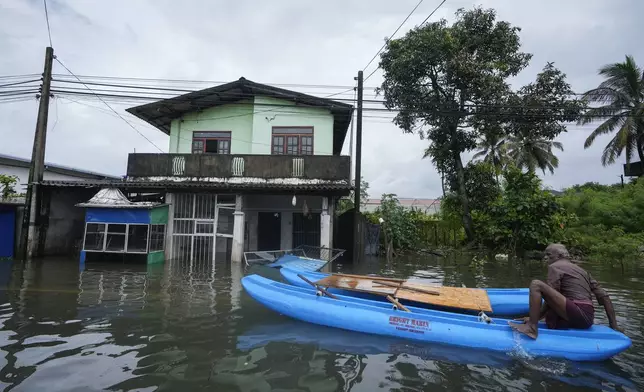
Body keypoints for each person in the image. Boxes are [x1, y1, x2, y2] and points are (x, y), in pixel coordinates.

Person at [510, 243, 621, 339]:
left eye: (549, 255)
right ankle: (536, 324)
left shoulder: (555, 266)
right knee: (551, 316)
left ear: (560, 256)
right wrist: (614, 326)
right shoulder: (582, 271)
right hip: (587, 319)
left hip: (577, 313)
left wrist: (534, 320)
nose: (546, 258)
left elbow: (550, 299)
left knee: (536, 285)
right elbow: (605, 297)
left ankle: (531, 328)